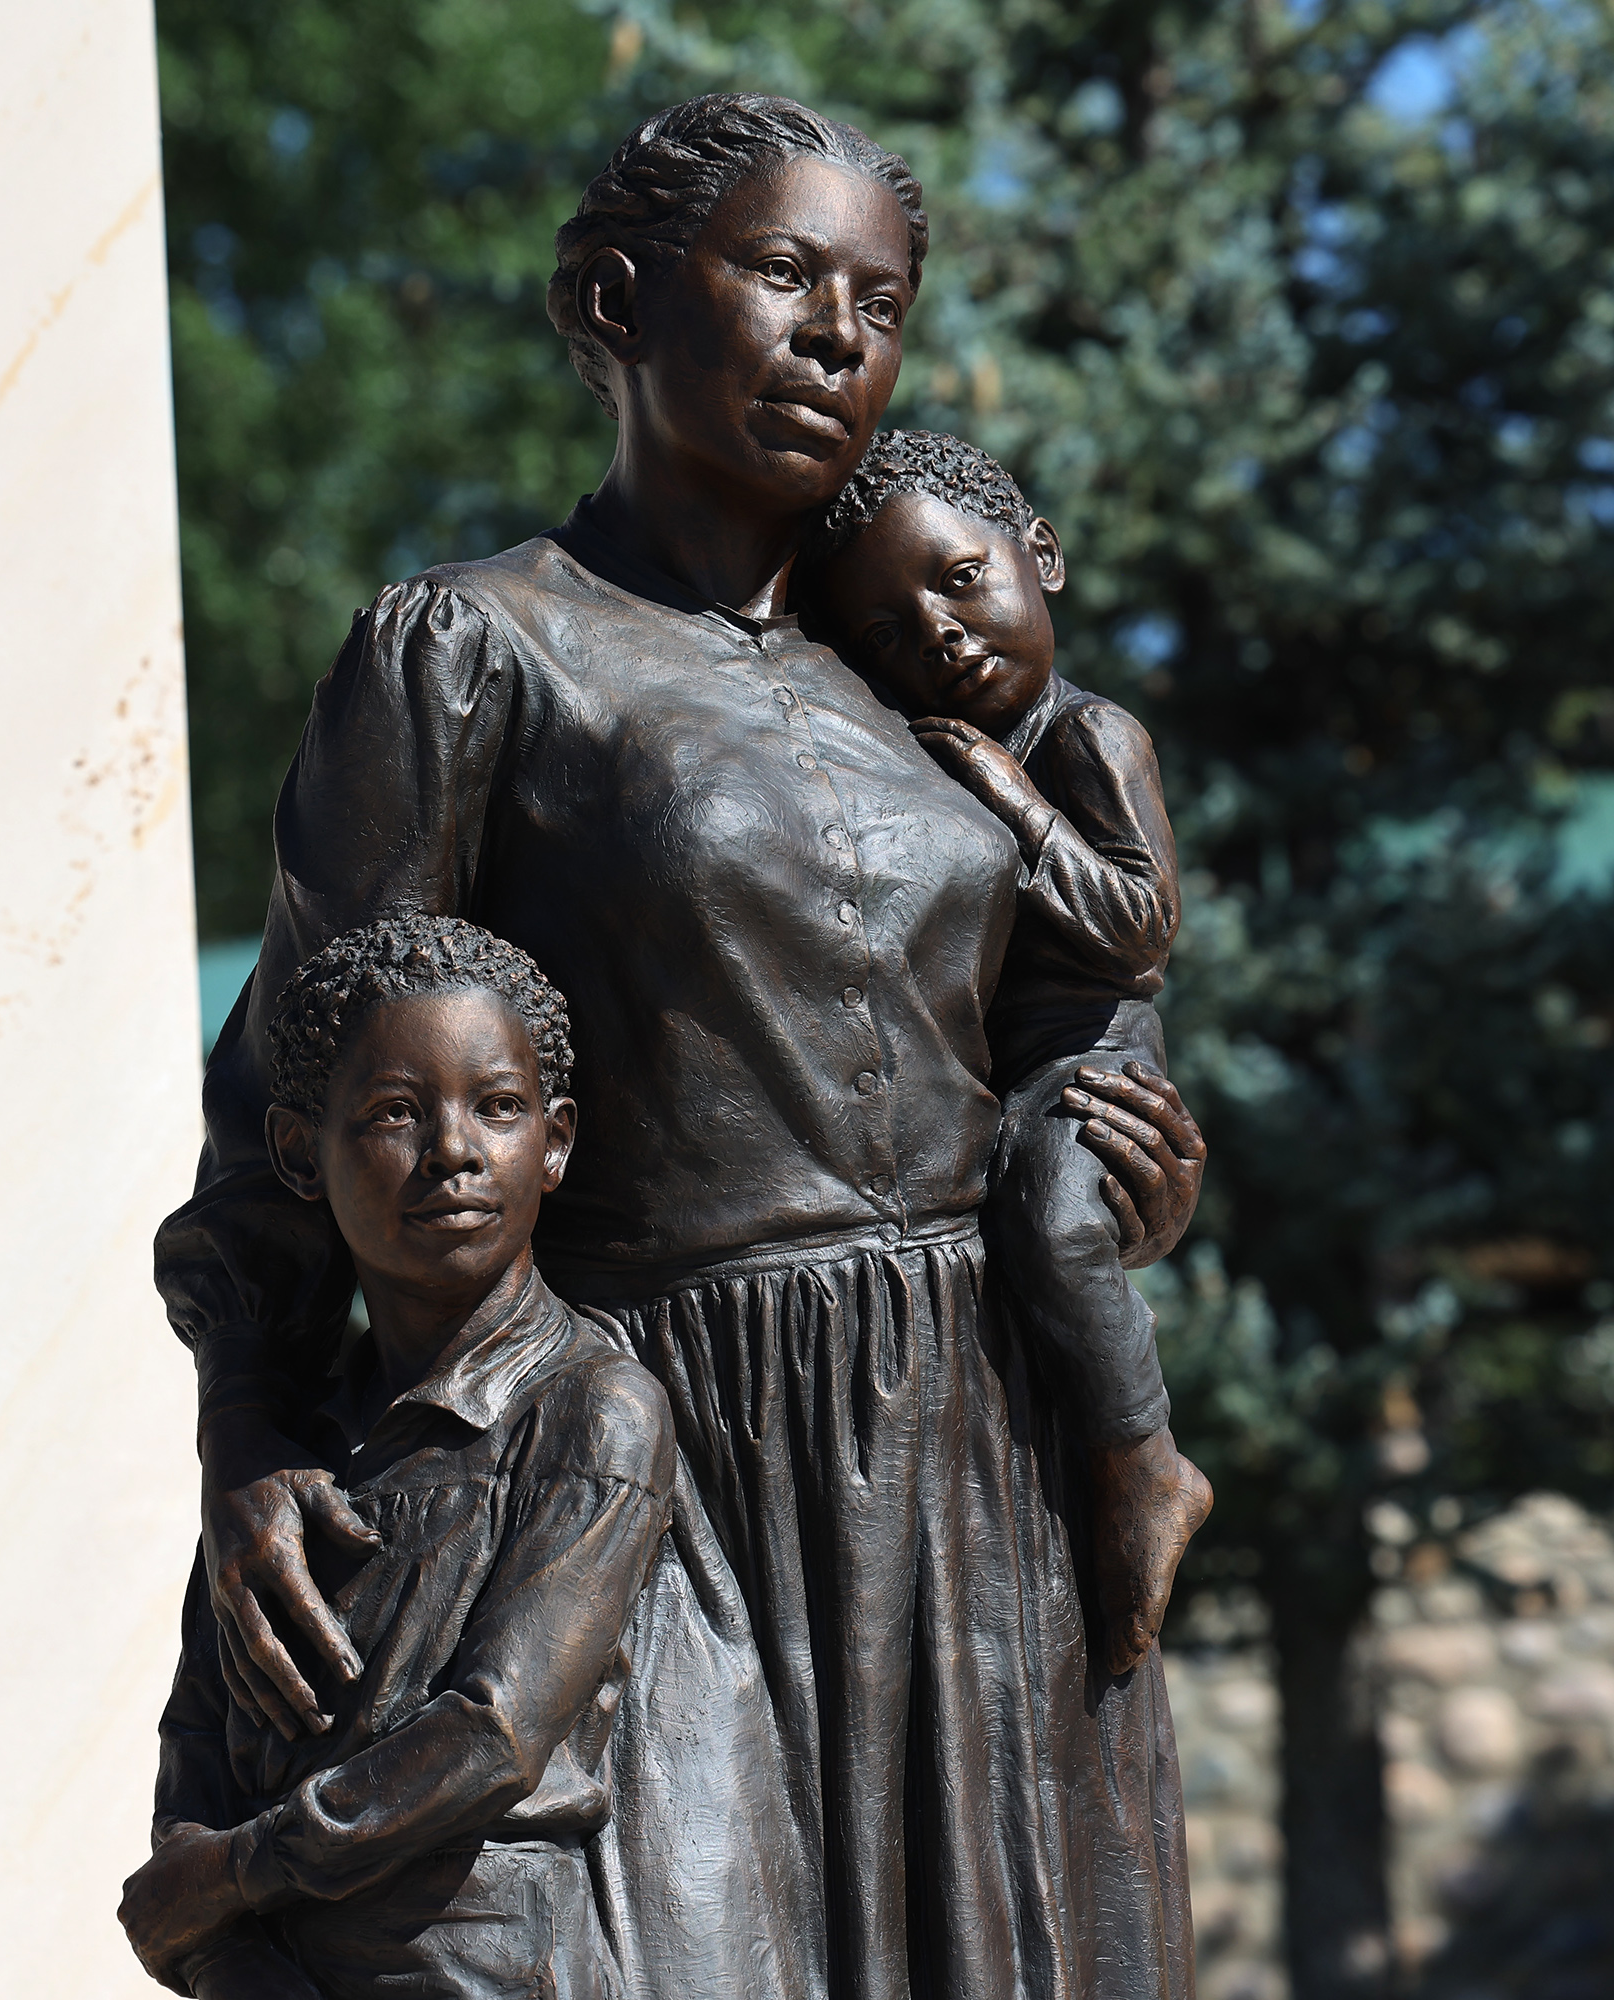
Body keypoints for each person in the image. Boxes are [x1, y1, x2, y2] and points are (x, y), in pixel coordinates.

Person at [154, 94, 1210, 2000]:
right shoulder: (477, 650)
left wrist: (1114, 1135)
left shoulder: (926, 653)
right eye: (786, 273)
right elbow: (296, 1104)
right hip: (666, 1470)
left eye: (880, 303)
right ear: (618, 302)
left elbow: (1072, 1001)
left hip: (980, 1457)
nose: (839, 337)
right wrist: (249, 1437)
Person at [119, 917, 675, 1999]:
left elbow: (494, 1731)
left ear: (556, 1141)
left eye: (498, 1107)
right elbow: (192, 1761)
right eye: (392, 1113)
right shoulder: (287, 1455)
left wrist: (236, 1872)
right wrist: (227, 1952)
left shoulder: (592, 1410)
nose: (455, 1149)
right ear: (297, 1152)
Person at [802, 427, 1217, 1674]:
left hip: (1091, 1058)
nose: (935, 629)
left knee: (1053, 1211)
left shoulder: (1088, 739)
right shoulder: (935, 760)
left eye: (960, 577)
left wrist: (1011, 799)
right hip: (1002, 1078)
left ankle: (1146, 1459)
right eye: (884, 630)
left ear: (1040, 553)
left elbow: (1139, 932)